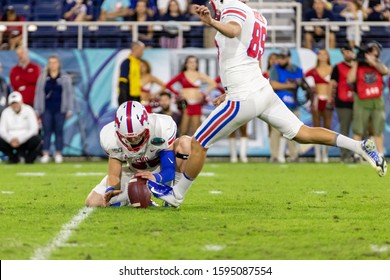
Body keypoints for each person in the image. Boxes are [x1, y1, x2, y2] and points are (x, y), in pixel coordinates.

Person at [148, 0, 387, 208]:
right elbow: (250, 58)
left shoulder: (233, 6)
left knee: (198, 143)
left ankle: (176, 195)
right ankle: (359, 146)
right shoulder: (258, 17)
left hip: (245, 95)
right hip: (260, 89)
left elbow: (233, 30)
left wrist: (211, 22)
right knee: (302, 133)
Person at [85, 101, 191, 207]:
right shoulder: (110, 138)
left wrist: (155, 177)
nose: (133, 141)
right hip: (135, 173)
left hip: (159, 170)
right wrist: (111, 189)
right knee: (93, 202)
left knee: (185, 143)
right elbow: (114, 175)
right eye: (128, 138)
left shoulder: (160, 127)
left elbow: (169, 170)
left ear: (147, 126)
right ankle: (133, 198)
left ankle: (172, 198)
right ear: (118, 132)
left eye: (138, 136)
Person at [347, 41, 388, 157]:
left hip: (377, 102)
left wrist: (373, 62)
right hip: (362, 101)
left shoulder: (378, 65)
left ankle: (380, 155)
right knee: (358, 130)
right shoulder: (358, 66)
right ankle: (357, 155)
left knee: (378, 131)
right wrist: (356, 62)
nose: (374, 53)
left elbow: (385, 71)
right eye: (372, 51)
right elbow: (350, 79)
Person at [34, 55, 75, 164]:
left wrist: (69, 108)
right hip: (46, 108)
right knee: (46, 132)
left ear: (59, 64)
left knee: (59, 132)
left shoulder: (64, 77)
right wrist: (37, 108)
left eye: (55, 62)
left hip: (60, 109)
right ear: (48, 64)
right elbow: (38, 93)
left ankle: (58, 153)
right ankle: (46, 153)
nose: (53, 65)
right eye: (51, 62)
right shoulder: (43, 77)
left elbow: (69, 94)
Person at [166, 55, 216, 136]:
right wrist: (178, 94)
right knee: (184, 130)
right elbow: (168, 85)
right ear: (186, 64)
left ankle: (194, 148)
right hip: (186, 105)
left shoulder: (200, 74)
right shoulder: (182, 75)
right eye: (190, 62)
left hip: (196, 104)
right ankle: (183, 147)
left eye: (195, 62)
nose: (193, 64)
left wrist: (204, 94)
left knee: (196, 131)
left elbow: (213, 84)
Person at [269, 49, 304, 163]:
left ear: (289, 58)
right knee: (275, 132)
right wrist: (289, 85)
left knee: (294, 131)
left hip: (293, 105)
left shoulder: (297, 70)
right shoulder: (275, 69)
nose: (280, 60)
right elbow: (273, 84)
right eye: (280, 58)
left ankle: (293, 155)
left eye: (283, 58)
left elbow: (302, 85)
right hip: (278, 105)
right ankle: (274, 156)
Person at [305, 49, 333, 163]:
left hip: (328, 100)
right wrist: (311, 89)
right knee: (316, 127)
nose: (322, 56)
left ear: (328, 56)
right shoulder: (313, 70)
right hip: (317, 100)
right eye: (320, 54)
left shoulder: (332, 70)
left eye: (324, 54)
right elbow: (305, 77)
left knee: (327, 127)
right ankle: (317, 154)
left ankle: (325, 154)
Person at [329, 45, 355, 163]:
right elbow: (332, 83)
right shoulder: (338, 67)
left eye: (349, 51)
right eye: (344, 52)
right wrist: (330, 99)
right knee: (344, 130)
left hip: (359, 102)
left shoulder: (358, 66)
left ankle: (358, 155)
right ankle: (345, 155)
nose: (347, 54)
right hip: (343, 102)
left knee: (360, 130)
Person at [0, 91, 41, 164]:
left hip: (25, 138)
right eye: (13, 103)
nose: (15, 105)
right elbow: (2, 130)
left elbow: (34, 129)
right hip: (11, 140)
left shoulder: (29, 110)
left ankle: (28, 159)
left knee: (37, 140)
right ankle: (13, 158)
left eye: (16, 103)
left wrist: (20, 139)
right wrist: (10, 139)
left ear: (21, 102)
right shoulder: (6, 112)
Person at [215, 76, 248, 163]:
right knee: (231, 130)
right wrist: (222, 92)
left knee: (243, 129)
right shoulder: (225, 74)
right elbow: (215, 82)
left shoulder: (241, 74)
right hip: (230, 103)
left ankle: (243, 155)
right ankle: (233, 156)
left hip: (243, 101)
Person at [118, 41, 145, 105]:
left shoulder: (138, 63)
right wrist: (123, 100)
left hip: (136, 97)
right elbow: (123, 82)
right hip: (128, 97)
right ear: (134, 49)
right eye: (141, 50)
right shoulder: (127, 63)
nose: (142, 53)